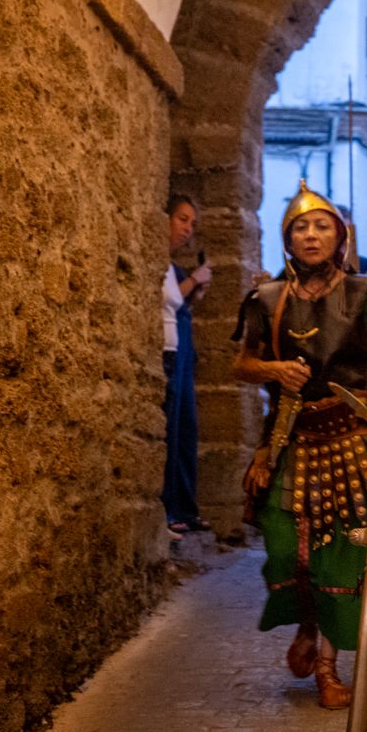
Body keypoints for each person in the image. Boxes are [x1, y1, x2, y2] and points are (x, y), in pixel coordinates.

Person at [231, 183, 367, 709]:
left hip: (351, 439)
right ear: (287, 239)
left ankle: (328, 665)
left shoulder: (366, 295)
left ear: (340, 236)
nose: (311, 234)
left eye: (322, 225)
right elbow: (241, 362)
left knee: (340, 558)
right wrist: (272, 369)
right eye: (301, 227)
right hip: (290, 436)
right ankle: (305, 621)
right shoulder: (266, 299)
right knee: (286, 548)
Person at [162, 192, 212, 535]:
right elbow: (167, 299)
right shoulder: (158, 263)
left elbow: (178, 304)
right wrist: (195, 279)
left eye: (191, 223)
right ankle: (168, 511)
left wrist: (195, 290)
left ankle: (184, 508)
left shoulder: (172, 267)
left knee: (185, 431)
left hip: (179, 352)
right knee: (169, 431)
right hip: (167, 353)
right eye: (182, 219)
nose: (187, 229)